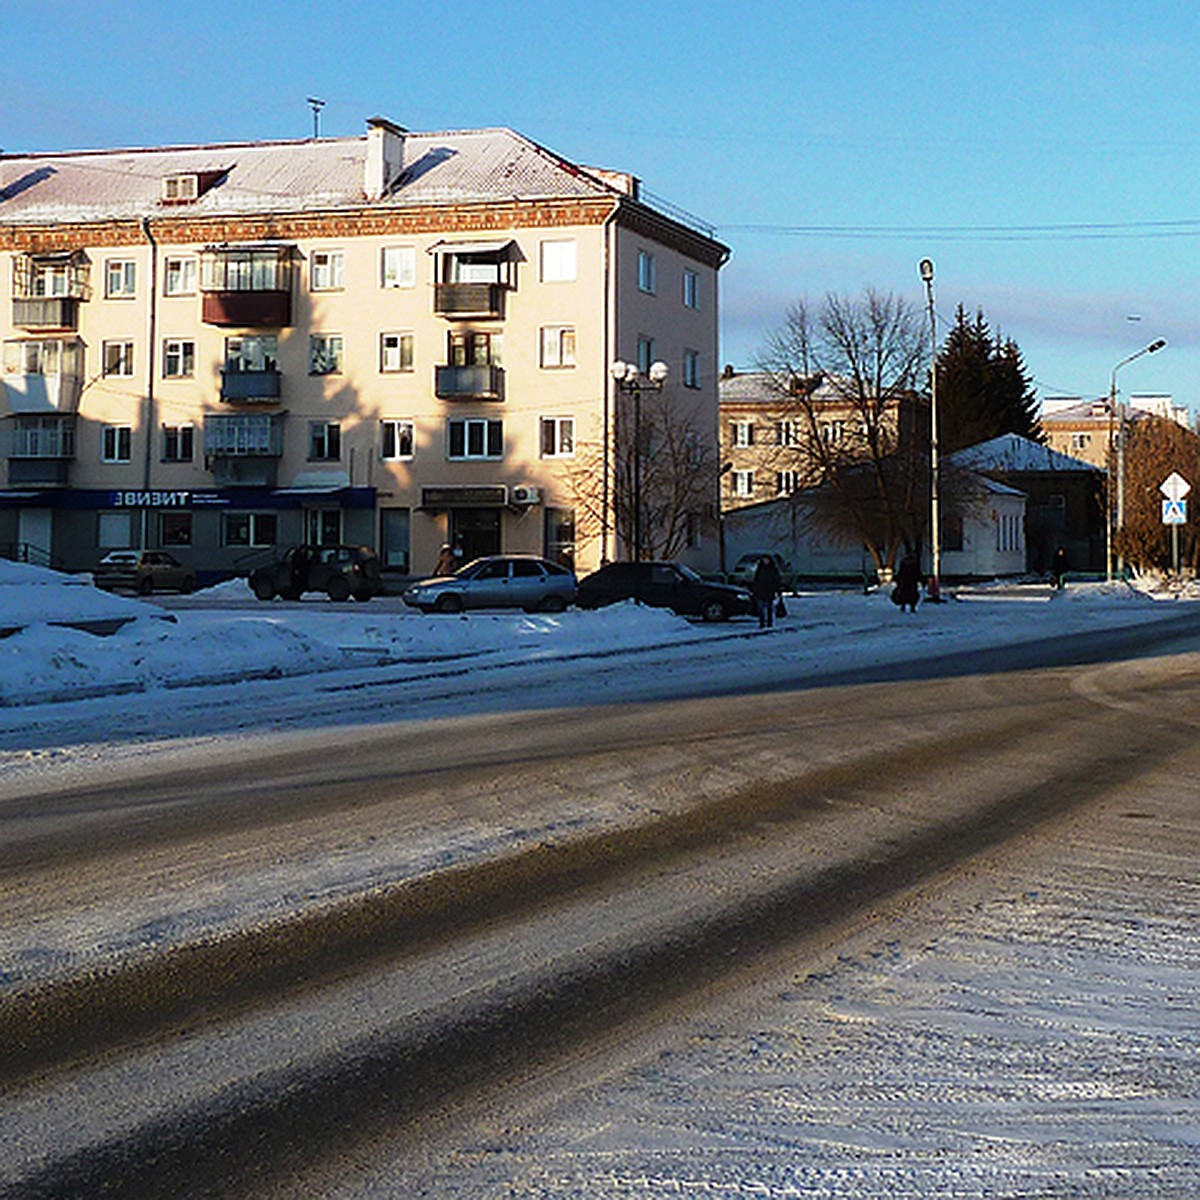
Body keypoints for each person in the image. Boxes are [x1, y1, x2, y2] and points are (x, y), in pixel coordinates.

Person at [752, 554, 783, 630]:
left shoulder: (773, 569)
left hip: (769, 591)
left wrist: (777, 590)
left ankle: (769, 622)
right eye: (764, 559)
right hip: (761, 591)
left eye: (766, 560)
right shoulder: (760, 569)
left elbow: (777, 581)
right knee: (761, 608)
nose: (765, 561)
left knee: (769, 608)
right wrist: (755, 589)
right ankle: (762, 623)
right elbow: (756, 580)